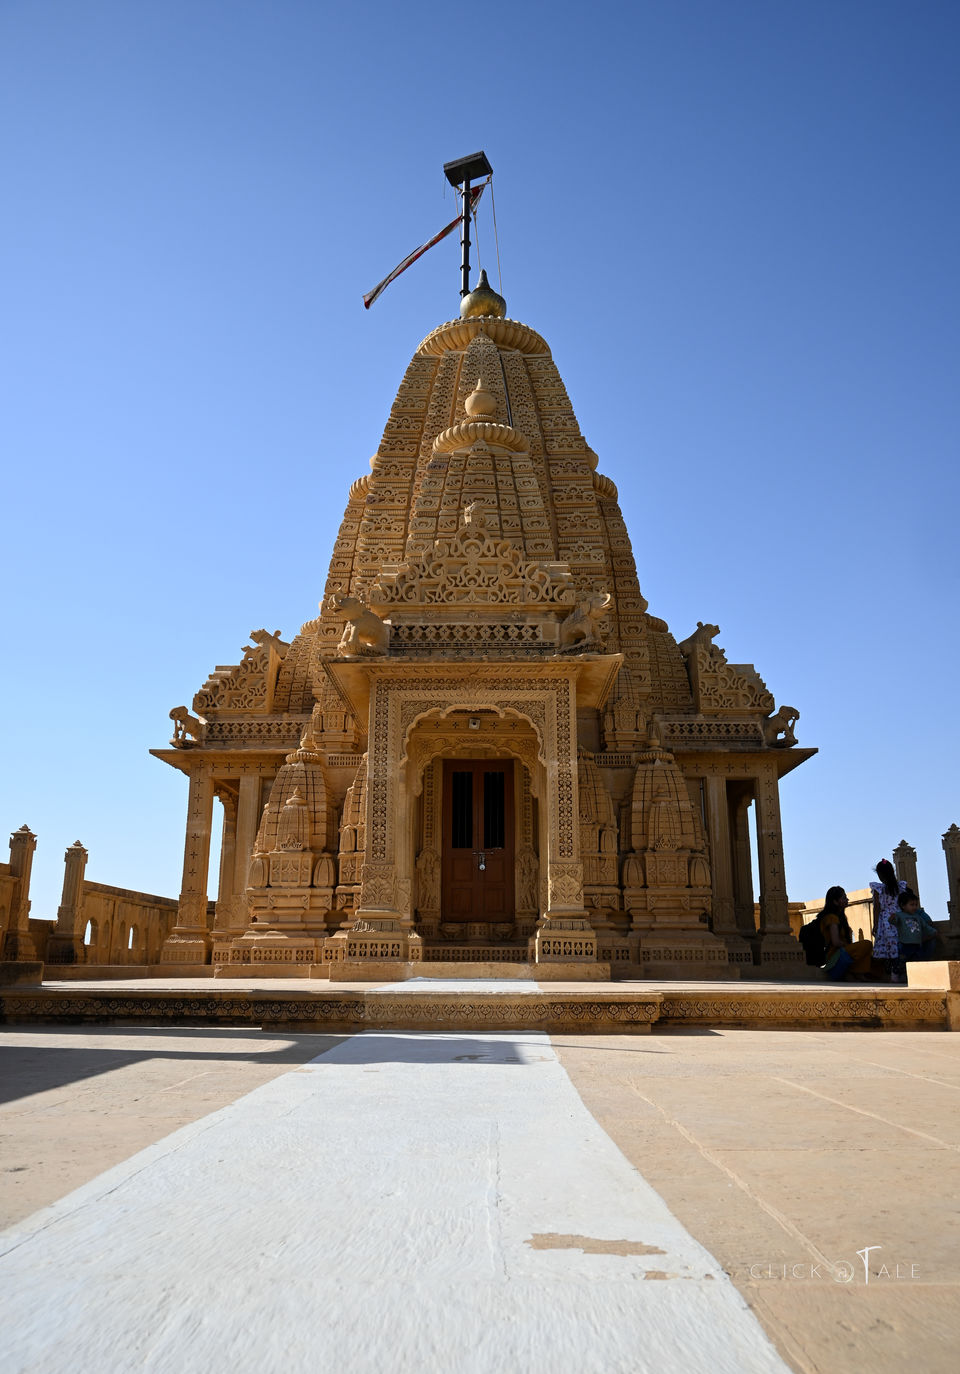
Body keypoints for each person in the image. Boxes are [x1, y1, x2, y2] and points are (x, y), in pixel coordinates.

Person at [817, 886, 873, 980]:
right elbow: (835, 942)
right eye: (844, 898)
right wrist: (847, 946)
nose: (847, 899)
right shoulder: (831, 918)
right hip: (835, 955)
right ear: (835, 902)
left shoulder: (840, 917)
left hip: (842, 952)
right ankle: (857, 973)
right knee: (867, 944)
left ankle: (853, 973)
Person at [870, 859, 908, 983]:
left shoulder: (879, 888)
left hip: (885, 921)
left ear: (880, 875)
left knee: (889, 945)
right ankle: (898, 971)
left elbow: (877, 907)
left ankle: (893, 973)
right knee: (898, 944)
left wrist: (875, 924)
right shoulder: (901, 886)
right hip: (899, 918)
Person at [892, 891, 939, 965]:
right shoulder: (899, 915)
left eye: (916, 905)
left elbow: (925, 926)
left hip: (917, 946)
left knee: (917, 963)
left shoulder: (918, 917)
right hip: (905, 945)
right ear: (903, 905)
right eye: (911, 905)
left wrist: (933, 931)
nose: (914, 907)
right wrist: (892, 917)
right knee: (902, 964)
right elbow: (893, 921)